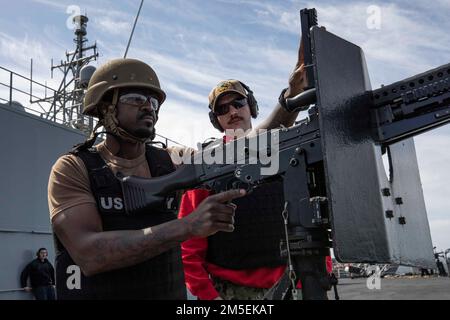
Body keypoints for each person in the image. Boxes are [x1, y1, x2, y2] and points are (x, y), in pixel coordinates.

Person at [48, 58, 300, 300]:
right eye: (135, 99)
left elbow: (247, 149)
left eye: (153, 101)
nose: (148, 106)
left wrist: (290, 100)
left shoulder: (171, 160)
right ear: (106, 108)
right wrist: (188, 226)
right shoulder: (73, 168)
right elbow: (89, 254)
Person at [179, 41, 333, 300]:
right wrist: (210, 298)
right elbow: (188, 248)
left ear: (251, 106)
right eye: (222, 109)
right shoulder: (206, 170)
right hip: (234, 293)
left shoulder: (288, 150)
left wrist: (319, 270)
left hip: (300, 282)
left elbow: (313, 211)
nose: (232, 111)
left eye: (238, 103)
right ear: (216, 119)